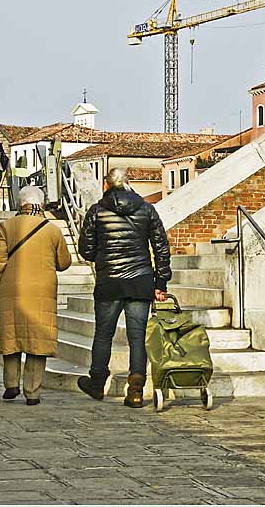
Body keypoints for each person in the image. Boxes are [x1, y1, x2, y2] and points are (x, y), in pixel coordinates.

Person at [77, 168, 171, 407]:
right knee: (137, 337)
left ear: (106, 186)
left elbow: (85, 250)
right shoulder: (147, 209)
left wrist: (103, 255)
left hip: (109, 282)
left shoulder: (97, 211)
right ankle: (136, 390)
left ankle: (97, 384)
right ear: (128, 184)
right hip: (140, 281)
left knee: (103, 334)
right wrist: (161, 283)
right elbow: (161, 248)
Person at [0, 186, 72, 405]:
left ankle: (11, 384)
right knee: (37, 340)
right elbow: (64, 263)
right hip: (41, 291)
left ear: (20, 203)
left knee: (11, 336)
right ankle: (32, 392)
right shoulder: (52, 229)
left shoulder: (6, 226)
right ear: (42, 204)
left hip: (10, 289)